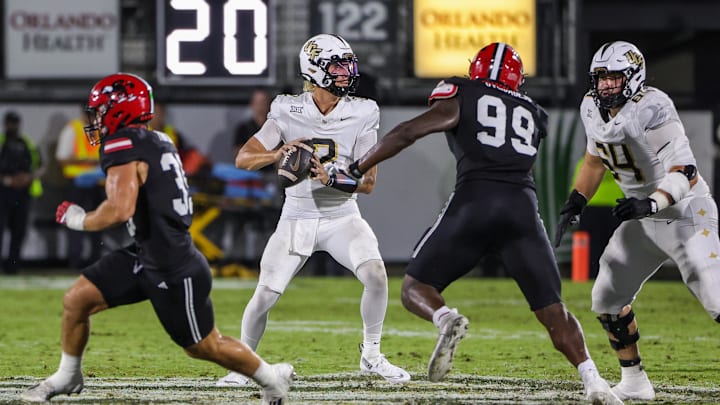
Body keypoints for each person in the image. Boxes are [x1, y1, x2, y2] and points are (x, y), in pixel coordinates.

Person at [347, 42, 622, 404]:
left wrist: (357, 167)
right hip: (523, 209)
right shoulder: (534, 112)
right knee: (552, 308)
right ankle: (594, 379)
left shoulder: (463, 92)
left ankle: (445, 319)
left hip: (475, 199)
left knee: (414, 287)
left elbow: (408, 132)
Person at [21, 73, 294, 404]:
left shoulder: (123, 144)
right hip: (146, 253)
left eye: (100, 110)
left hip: (172, 264)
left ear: (118, 110)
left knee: (204, 346)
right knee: (77, 300)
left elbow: (119, 210)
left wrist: (80, 220)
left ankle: (271, 378)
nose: (94, 119)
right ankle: (67, 375)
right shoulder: (158, 139)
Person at [216, 34, 410, 387]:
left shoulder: (363, 110)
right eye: (337, 65)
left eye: (347, 64)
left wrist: (332, 178)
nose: (346, 72)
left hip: (342, 216)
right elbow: (244, 158)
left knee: (377, 275)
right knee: (265, 295)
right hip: (297, 216)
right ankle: (244, 365)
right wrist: (278, 154)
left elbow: (368, 183)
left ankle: (371, 355)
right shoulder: (287, 109)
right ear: (314, 69)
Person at [554, 40, 720, 401]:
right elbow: (595, 161)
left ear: (633, 77)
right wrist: (576, 200)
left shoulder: (652, 106)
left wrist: (652, 203)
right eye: (601, 77)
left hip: (684, 210)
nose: (606, 85)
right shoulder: (590, 108)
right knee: (607, 294)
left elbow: (686, 171)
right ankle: (634, 381)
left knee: (716, 297)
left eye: (615, 77)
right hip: (642, 215)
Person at [55, 106, 104, 269]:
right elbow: (62, 158)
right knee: (75, 221)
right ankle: (74, 262)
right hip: (76, 184)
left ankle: (95, 261)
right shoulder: (72, 129)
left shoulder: (98, 131)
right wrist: (84, 161)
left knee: (98, 221)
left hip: (97, 183)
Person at [0, 111, 42, 274]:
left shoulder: (27, 143)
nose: (13, 126)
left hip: (23, 193)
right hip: (3, 192)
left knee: (19, 231)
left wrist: (28, 177)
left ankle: (13, 267)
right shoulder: (2, 141)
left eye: (15, 123)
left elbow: (39, 165)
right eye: (11, 123)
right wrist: (7, 180)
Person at [571, 157, 624, 278]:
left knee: (592, 246)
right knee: (614, 245)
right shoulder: (615, 163)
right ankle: (613, 277)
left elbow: (577, 187)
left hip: (590, 207)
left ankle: (592, 275)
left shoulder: (584, 163)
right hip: (613, 205)